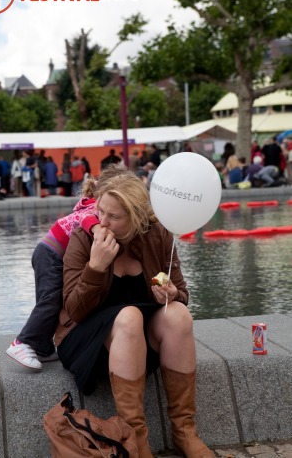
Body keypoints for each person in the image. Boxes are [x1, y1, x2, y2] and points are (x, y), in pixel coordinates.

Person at [55, 171, 214, 458]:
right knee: (128, 315)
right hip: (86, 343)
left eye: (112, 216)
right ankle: (137, 439)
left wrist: (172, 295)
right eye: (100, 211)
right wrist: (96, 266)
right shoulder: (84, 238)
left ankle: (184, 431)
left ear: (136, 218)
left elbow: (181, 292)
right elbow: (73, 310)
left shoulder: (158, 235)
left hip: (138, 346)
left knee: (177, 314)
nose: (101, 221)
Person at [6, 165, 127, 370]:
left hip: (48, 251)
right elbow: (85, 219)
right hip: (50, 253)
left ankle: (42, 347)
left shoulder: (92, 203)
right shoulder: (96, 208)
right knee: (51, 299)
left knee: (53, 299)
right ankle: (23, 342)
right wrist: (98, 230)